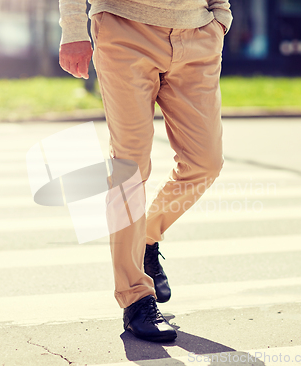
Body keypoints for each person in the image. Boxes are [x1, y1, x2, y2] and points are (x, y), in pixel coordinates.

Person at [59, 0, 232, 342]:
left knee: (205, 163)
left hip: (197, 33)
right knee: (130, 167)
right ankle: (136, 298)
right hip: (125, 28)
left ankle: (147, 236)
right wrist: (74, 29)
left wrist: (220, 16)